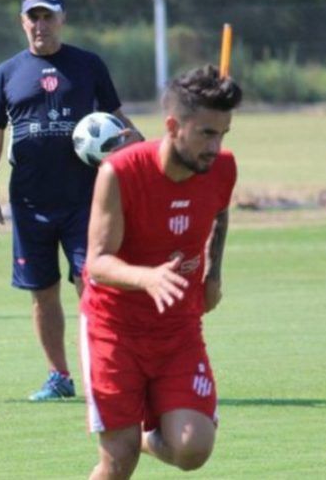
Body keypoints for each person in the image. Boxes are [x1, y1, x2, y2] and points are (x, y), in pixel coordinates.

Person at [0, 0, 141, 401]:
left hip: (86, 202)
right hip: (29, 205)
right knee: (42, 293)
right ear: (22, 21)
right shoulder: (7, 73)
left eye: (48, 15)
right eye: (33, 16)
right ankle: (59, 376)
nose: (40, 24)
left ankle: (105, 373)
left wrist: (145, 154)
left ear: (62, 19)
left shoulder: (87, 65)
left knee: (94, 288)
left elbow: (119, 123)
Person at [81, 65, 242, 478]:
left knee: (193, 449)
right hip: (114, 327)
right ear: (173, 125)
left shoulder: (221, 168)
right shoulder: (119, 173)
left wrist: (213, 276)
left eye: (224, 132)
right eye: (207, 133)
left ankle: (142, 436)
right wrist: (147, 277)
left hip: (177, 328)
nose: (216, 145)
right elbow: (97, 262)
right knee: (118, 461)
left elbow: (220, 213)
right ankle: (130, 440)